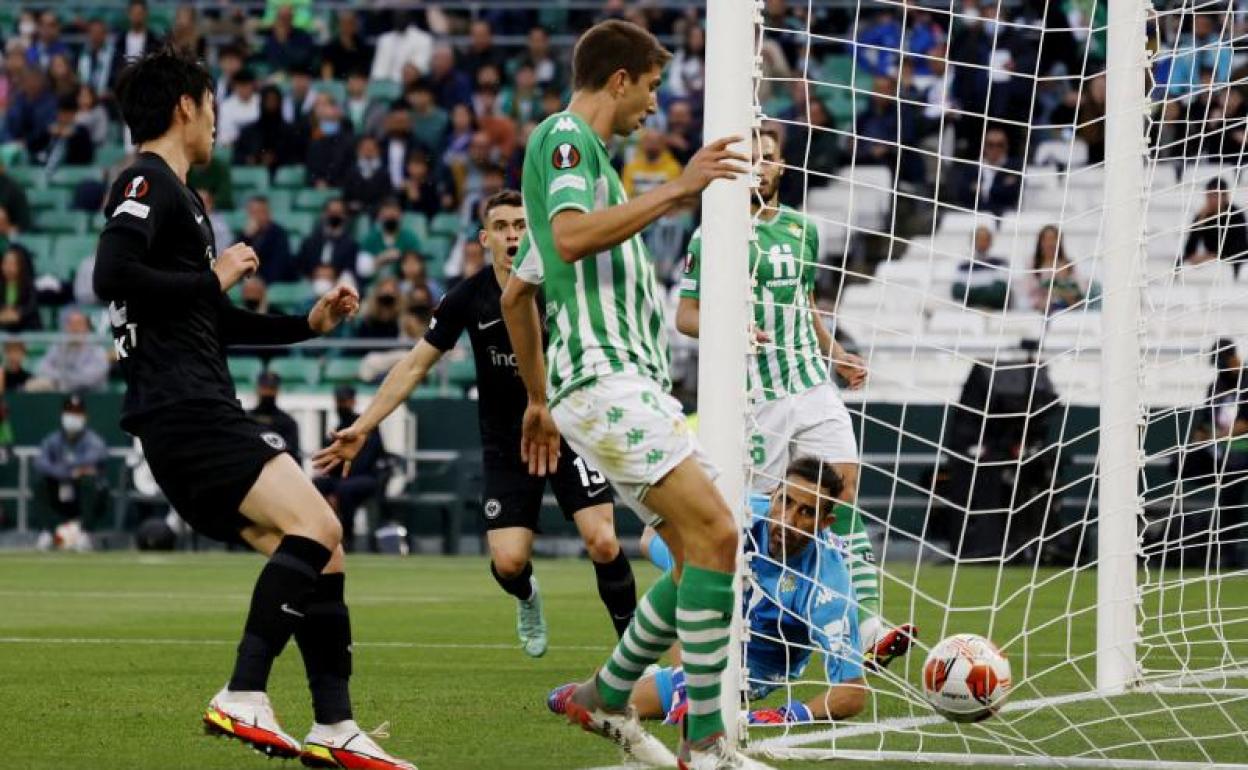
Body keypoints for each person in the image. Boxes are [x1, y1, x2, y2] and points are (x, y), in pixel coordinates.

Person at [91, 48, 413, 769]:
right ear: (185, 106)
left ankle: (336, 727)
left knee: (323, 552)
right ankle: (243, 691)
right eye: (211, 105)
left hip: (186, 414)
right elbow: (109, 273)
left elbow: (211, 318)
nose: (217, 122)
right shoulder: (148, 179)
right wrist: (211, 275)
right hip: (188, 411)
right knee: (321, 523)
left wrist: (307, 326)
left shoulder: (182, 196)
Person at [499, 20, 763, 768]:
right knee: (716, 534)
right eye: (649, 88)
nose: (653, 106)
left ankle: (605, 695)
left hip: (603, 387)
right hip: (609, 382)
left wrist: (540, 397)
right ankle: (705, 744)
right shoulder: (566, 141)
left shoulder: (578, 164)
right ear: (619, 80)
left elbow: (519, 293)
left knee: (693, 555)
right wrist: (679, 188)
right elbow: (575, 238)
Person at [316, 190, 638, 656]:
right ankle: (527, 596)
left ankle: (634, 656)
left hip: (570, 429)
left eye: (522, 225)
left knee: (604, 541)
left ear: (536, 232)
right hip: (508, 441)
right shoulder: (468, 297)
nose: (513, 235)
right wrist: (363, 426)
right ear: (486, 238)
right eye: (503, 227)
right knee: (508, 563)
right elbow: (413, 366)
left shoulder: (564, 284)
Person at [676, 127, 914, 672]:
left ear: (781, 168)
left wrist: (835, 352)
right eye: (750, 159)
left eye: (768, 158)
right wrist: (731, 329)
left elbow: (804, 303)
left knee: (843, 490)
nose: (759, 166)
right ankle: (756, 624)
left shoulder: (804, 231)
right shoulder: (710, 237)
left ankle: (866, 621)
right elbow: (685, 317)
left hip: (811, 385)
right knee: (765, 522)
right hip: (755, 400)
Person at [551, 458, 868, 725]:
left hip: (752, 665)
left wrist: (793, 714)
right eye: (784, 501)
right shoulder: (744, 514)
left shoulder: (828, 586)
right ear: (773, 494)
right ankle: (680, 685)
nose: (786, 520)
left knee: (618, 707)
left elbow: (853, 691)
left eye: (806, 512)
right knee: (683, 567)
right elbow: (661, 541)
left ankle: (659, 685)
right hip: (711, 615)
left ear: (826, 523)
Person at [314, 385, 385, 551]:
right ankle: (318, 533)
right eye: (339, 401)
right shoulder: (338, 428)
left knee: (344, 489)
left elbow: (369, 459)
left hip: (366, 477)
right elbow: (329, 460)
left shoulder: (367, 426)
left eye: (344, 401)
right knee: (316, 484)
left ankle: (347, 537)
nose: (341, 405)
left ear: (353, 401)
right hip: (342, 479)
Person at [34, 394, 108, 544]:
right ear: (62, 415)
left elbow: (95, 457)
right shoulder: (52, 440)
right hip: (60, 492)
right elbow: (40, 462)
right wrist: (68, 472)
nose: (73, 416)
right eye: (70, 412)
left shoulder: (93, 440)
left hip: (85, 494)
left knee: (89, 480)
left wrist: (71, 470)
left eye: (77, 412)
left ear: (84, 416)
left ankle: (85, 533)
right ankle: (47, 532)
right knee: (41, 482)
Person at [30, 309, 109, 392]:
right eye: (71, 324)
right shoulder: (59, 346)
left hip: (90, 394)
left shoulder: (97, 350)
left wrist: (63, 379)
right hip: (60, 389)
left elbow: (89, 379)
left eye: (79, 324)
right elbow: (43, 368)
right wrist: (61, 378)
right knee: (36, 385)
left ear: (87, 328)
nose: (74, 329)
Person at [1183, 177, 1248, 277]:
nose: (1211, 200)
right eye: (1209, 196)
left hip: (1234, 263)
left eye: (1215, 195)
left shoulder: (1236, 215)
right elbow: (1189, 251)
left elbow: (1240, 249)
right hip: (1211, 265)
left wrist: (1212, 256)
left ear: (1225, 196)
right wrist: (1200, 222)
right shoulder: (1203, 215)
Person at [1028, 224, 1098, 313]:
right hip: (1042, 308)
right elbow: (1030, 293)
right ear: (1040, 242)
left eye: (1053, 239)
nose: (1050, 243)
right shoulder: (1032, 264)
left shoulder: (1068, 264)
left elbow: (1080, 289)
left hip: (1069, 307)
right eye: (1046, 239)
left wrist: (1064, 281)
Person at [360, 198, 422, 279]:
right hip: (374, 284)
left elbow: (417, 266)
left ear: (401, 215)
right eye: (387, 214)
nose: (390, 216)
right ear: (380, 216)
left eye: (394, 213)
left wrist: (402, 258)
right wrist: (380, 259)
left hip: (403, 283)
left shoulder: (410, 239)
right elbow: (361, 269)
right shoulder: (370, 239)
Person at [241, 196, 296, 285]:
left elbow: (278, 266)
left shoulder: (279, 234)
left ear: (268, 213)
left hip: (274, 282)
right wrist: (246, 238)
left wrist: (259, 280)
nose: (255, 217)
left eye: (259, 212)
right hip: (249, 281)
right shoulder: (245, 235)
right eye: (252, 212)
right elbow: (236, 259)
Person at [249, 371, 301, 459]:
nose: (268, 392)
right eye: (265, 388)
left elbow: (292, 455)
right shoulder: (247, 419)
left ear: (277, 390)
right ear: (258, 389)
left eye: (272, 388)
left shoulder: (288, 422)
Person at [0, 246, 40, 332]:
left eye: (12, 264)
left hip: (25, 326)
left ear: (20, 266)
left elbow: (31, 307)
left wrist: (18, 314)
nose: (8, 267)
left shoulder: (29, 284)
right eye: (5, 263)